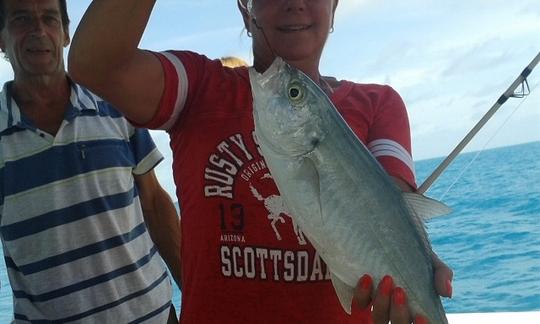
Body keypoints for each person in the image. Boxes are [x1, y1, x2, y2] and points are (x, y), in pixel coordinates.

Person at [68, 0, 453, 323]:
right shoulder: (200, 89)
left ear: (335, 7)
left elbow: (392, 206)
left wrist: (414, 264)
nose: (294, 2)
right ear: (246, 9)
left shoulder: (378, 104)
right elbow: (93, 65)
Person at [0, 0, 181, 322]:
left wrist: (194, 292)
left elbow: (153, 202)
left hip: (156, 315)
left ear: (67, 34)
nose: (39, 30)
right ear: (1, 37)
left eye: (50, 19)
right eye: (21, 19)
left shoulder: (114, 103)